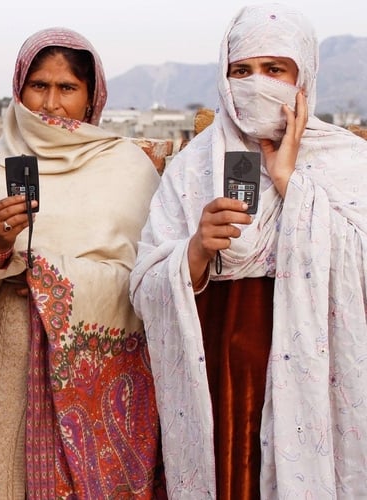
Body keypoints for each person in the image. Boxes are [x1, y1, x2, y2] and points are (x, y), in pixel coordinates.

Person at [130, 4, 367, 498]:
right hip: (220, 381)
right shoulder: (194, 167)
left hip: (319, 383)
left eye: (274, 70)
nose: (256, 83)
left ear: (303, 75)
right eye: (242, 70)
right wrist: (194, 251)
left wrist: (289, 181)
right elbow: (145, 284)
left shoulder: (346, 161)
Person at [0, 27, 165, 499]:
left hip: (103, 388)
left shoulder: (128, 169)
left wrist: (52, 276)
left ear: (91, 98)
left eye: (67, 88)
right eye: (38, 86)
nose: (50, 103)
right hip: (7, 375)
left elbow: (152, 279)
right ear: (19, 90)